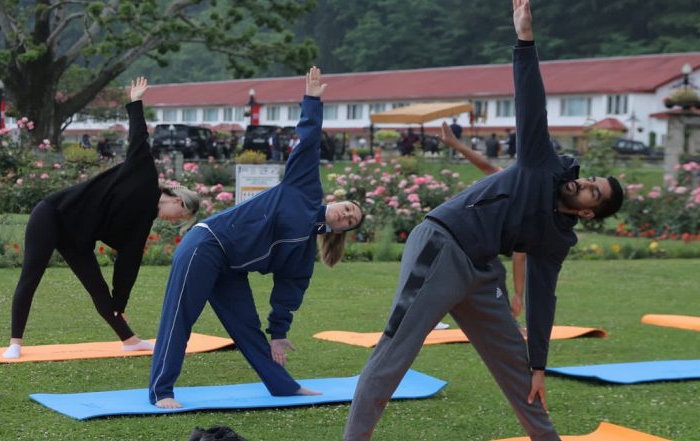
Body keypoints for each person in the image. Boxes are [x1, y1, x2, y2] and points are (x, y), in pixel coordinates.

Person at [343, 2, 624, 440]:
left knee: (516, 364)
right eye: (588, 180)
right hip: (442, 245)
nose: (583, 184)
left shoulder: (556, 238)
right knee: (395, 353)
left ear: (589, 212)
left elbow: (542, 294)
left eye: (593, 191)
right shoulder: (541, 165)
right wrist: (525, 41)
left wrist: (539, 365)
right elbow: (532, 105)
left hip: (480, 271)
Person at [148, 67, 365, 409]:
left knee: (247, 327)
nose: (347, 214)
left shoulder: (302, 255)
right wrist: (312, 100)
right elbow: (308, 143)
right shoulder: (304, 188)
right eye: (349, 207)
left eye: (351, 220)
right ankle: (162, 391)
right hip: (207, 244)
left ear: (340, 231)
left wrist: (278, 335)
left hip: (230, 268)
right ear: (337, 201)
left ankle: (283, 387)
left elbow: (288, 293)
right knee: (180, 316)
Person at [2, 77, 201, 359]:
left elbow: (129, 260)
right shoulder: (144, 173)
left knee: (98, 290)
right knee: (30, 278)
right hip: (51, 215)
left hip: (77, 238)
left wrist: (121, 299)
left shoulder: (144, 221)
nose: (173, 221)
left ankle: (129, 340)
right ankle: (15, 343)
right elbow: (138, 137)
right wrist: (135, 102)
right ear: (178, 201)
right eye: (179, 215)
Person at [439, 121, 525, 320]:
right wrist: (519, 295)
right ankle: (506, 324)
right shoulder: (518, 191)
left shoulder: (518, 190)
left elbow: (487, 167)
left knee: (490, 277)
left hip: (465, 240)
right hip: (464, 239)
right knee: (493, 276)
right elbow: (519, 256)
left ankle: (498, 320)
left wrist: (455, 143)